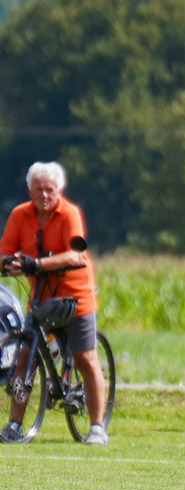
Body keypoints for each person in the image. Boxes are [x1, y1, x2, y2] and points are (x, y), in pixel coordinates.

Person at [0, 161, 109, 445]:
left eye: (49, 190)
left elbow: (75, 255)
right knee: (25, 357)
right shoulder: (19, 215)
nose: (44, 195)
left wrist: (35, 263)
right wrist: (8, 263)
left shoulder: (69, 214)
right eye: (39, 190)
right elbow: (5, 251)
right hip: (41, 299)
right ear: (29, 190)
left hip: (76, 297)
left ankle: (97, 427)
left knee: (85, 357)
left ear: (58, 191)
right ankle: (14, 424)